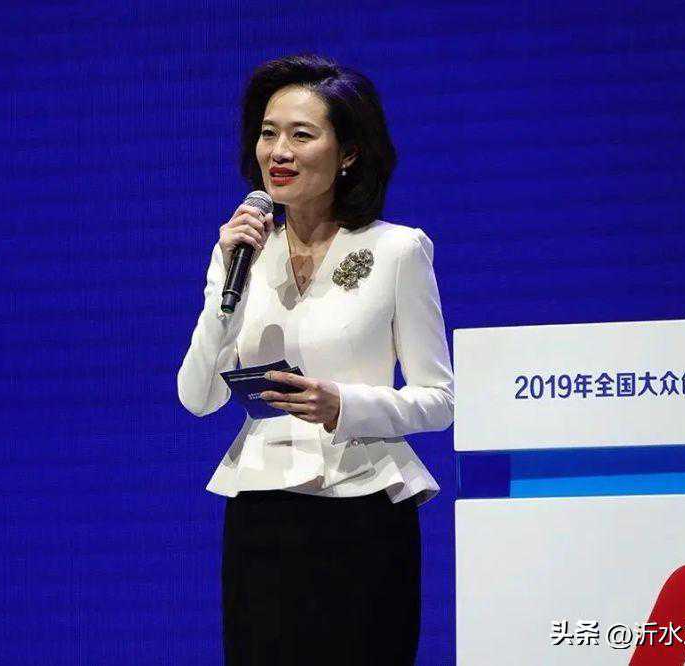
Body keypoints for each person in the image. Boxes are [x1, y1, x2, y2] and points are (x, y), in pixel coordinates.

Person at [176, 54, 454, 665]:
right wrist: (225, 300)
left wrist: (343, 404)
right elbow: (198, 398)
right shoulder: (239, 252)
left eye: (301, 135)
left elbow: (439, 401)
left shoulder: (397, 250)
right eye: (268, 133)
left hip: (363, 506)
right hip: (262, 511)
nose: (279, 151)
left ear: (348, 153)